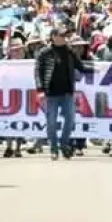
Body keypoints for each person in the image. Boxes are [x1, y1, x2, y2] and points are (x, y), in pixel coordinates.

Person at [33, 26, 94, 160]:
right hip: (51, 93)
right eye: (61, 35)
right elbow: (38, 72)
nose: (65, 38)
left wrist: (95, 68)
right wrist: (40, 90)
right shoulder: (44, 52)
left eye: (65, 35)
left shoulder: (69, 52)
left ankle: (64, 143)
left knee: (71, 120)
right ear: (54, 36)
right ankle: (54, 149)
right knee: (51, 122)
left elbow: (81, 66)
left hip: (67, 92)